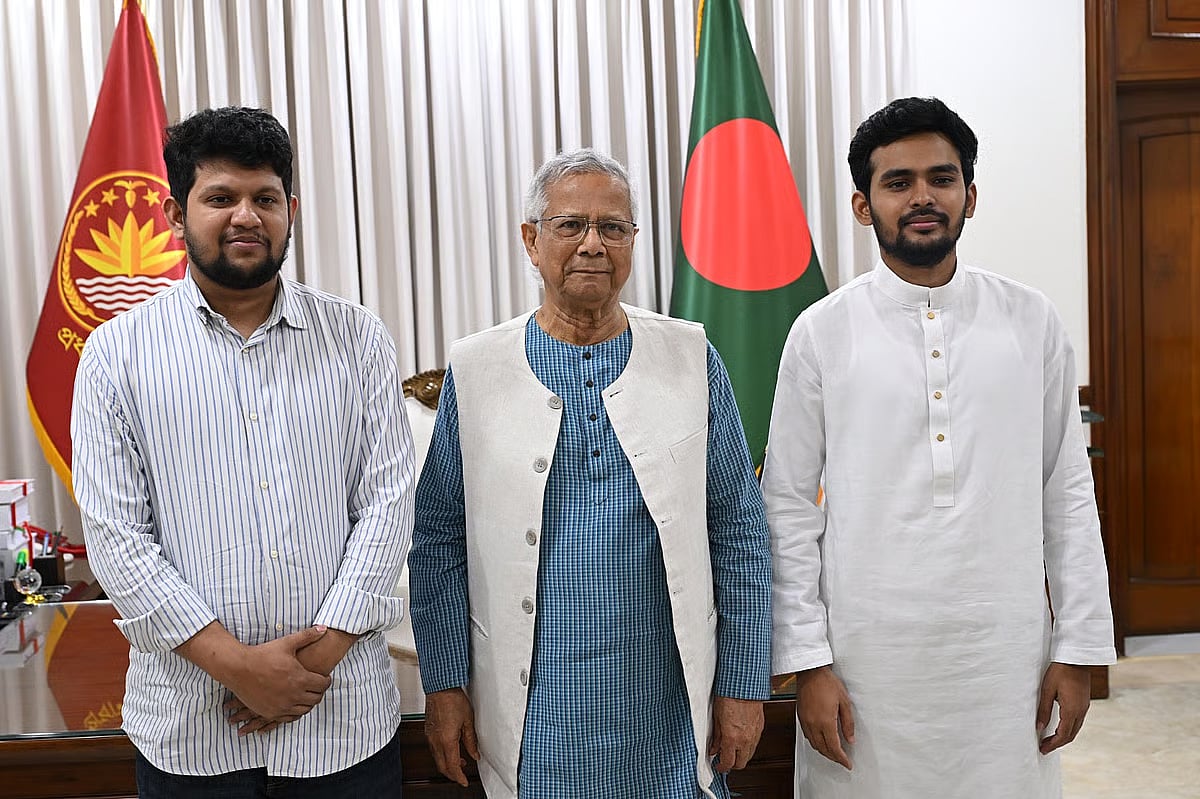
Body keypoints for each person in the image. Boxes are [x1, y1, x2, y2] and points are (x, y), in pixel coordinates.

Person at [761, 97, 1116, 798]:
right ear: (863, 206)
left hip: (1004, 661)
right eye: (898, 182)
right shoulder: (821, 332)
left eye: (941, 178)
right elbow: (787, 506)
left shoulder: (1031, 321)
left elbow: (1067, 491)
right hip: (866, 663)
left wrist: (1077, 649)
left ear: (969, 197)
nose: (922, 197)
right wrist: (808, 661)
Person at [71, 106, 415, 798]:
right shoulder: (116, 354)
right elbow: (116, 538)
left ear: (291, 210)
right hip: (191, 731)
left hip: (341, 719)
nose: (246, 217)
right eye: (221, 198)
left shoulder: (357, 338)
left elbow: (388, 503)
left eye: (265, 198)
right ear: (176, 214)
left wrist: (315, 659)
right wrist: (238, 667)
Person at [408, 148, 772, 798]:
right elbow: (437, 543)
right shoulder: (478, 369)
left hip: (669, 709)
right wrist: (444, 685)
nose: (593, 245)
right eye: (571, 225)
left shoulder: (690, 356)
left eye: (613, 227)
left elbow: (740, 531)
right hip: (536, 715)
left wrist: (744, 683)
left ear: (633, 240)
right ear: (531, 240)